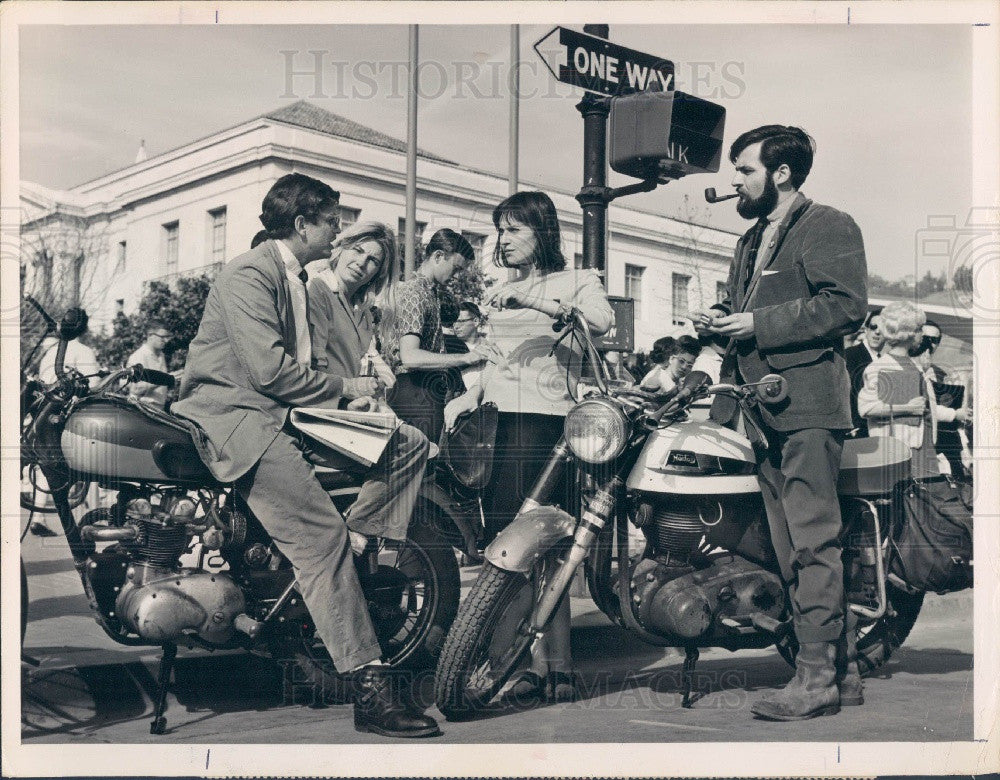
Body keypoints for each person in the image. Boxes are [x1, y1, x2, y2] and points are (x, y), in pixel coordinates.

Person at [172, 173, 439, 738]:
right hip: (239, 419)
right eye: (333, 223)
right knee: (321, 542)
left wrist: (351, 392)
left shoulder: (291, 276)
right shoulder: (253, 272)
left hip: (276, 413)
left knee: (407, 445)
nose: (338, 233)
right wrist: (348, 390)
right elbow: (267, 371)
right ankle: (370, 690)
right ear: (303, 225)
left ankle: (360, 535)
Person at [692, 125, 868, 721]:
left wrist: (756, 325)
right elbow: (755, 314)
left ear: (781, 173)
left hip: (809, 407)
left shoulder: (829, 224)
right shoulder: (751, 240)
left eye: (744, 169)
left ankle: (816, 680)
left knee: (813, 540)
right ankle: (838, 670)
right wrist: (722, 320)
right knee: (791, 544)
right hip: (763, 409)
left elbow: (845, 305)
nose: (735, 180)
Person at [444, 190, 614, 703]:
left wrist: (535, 299)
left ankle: (558, 665)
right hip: (498, 424)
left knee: (550, 545)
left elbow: (603, 325)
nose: (504, 238)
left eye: (515, 228)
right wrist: (468, 394)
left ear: (543, 231)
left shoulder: (578, 281)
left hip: (549, 425)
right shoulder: (498, 288)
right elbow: (498, 359)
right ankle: (513, 665)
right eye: (501, 229)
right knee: (504, 548)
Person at [378, 229, 487, 442]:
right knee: (416, 466)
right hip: (413, 391)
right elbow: (410, 357)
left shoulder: (430, 293)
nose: (456, 277)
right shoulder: (413, 292)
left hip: (424, 392)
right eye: (455, 269)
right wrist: (465, 358)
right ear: (437, 256)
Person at [857, 301, 970, 478]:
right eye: (918, 329)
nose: (921, 334)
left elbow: (926, 409)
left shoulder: (915, 367)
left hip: (923, 450)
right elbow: (866, 408)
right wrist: (907, 408)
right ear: (907, 333)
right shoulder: (880, 367)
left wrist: (954, 414)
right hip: (901, 456)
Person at [306, 220, 399, 389]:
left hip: (347, 403)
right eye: (358, 250)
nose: (361, 263)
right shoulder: (318, 289)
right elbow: (314, 364)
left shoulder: (363, 311)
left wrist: (382, 382)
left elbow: (373, 359)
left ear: (379, 273)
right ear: (341, 248)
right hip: (324, 401)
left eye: (373, 260)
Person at [910, 319, 968, 480]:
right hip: (920, 440)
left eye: (934, 340)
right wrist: (954, 414)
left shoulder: (941, 373)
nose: (929, 343)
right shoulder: (906, 369)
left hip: (946, 438)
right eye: (925, 338)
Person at [844, 309, 885, 437]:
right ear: (866, 329)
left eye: (882, 328)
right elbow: (847, 392)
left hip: (876, 429)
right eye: (873, 327)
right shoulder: (850, 355)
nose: (877, 332)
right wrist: (853, 426)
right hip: (856, 430)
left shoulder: (883, 360)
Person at [126, 319, 172, 408]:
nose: (166, 341)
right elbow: (136, 388)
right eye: (162, 337)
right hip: (141, 409)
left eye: (167, 337)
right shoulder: (138, 356)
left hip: (157, 409)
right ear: (150, 335)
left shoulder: (161, 356)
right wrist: (165, 379)